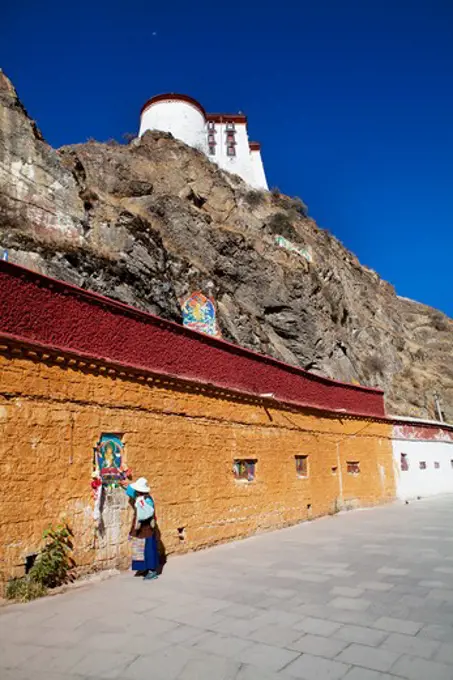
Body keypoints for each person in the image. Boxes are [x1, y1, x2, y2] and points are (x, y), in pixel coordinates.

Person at [121, 477, 159, 580]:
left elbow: (147, 513)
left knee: (148, 549)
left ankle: (152, 570)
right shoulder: (140, 497)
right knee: (139, 548)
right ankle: (143, 568)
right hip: (140, 528)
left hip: (146, 527)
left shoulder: (147, 500)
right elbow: (131, 492)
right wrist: (126, 485)